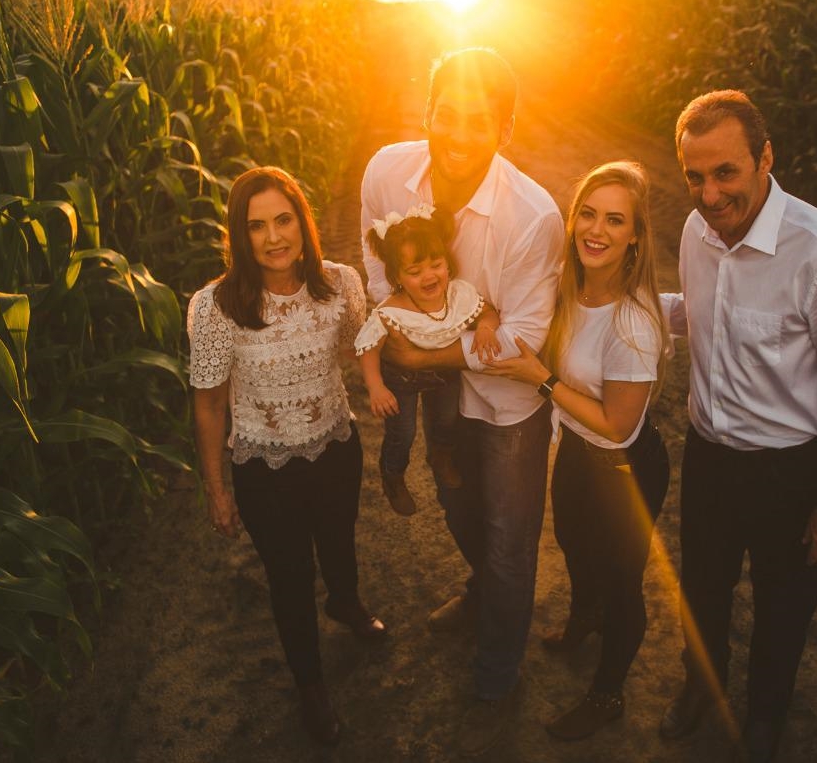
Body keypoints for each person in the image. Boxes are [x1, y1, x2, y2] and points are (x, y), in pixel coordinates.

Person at [657, 91, 817, 763]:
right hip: (708, 453)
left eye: (725, 172)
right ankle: (702, 686)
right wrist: (627, 304)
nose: (709, 192)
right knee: (701, 585)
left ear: (765, 158)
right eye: (694, 175)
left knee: (782, 607)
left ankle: (764, 720)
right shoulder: (696, 233)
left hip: (787, 469)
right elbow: (700, 314)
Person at [359, 47, 564, 755]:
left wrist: (421, 352)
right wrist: (402, 337)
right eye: (448, 114)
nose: (459, 133)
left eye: (480, 121)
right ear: (428, 113)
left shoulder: (533, 217)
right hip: (441, 392)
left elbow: (523, 339)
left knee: (510, 538)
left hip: (507, 407)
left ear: (504, 130)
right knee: (456, 506)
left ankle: (497, 670)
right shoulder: (387, 172)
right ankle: (482, 591)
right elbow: (373, 261)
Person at [188, 166, 387, 747]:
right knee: (290, 576)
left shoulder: (339, 283)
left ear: (303, 221)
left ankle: (346, 604)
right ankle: (310, 684)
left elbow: (363, 346)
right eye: (257, 226)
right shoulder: (217, 307)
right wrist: (216, 488)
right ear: (239, 235)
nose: (274, 237)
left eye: (284, 219)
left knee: (340, 540)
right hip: (263, 466)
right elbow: (208, 406)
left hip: (334, 446)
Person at [484, 161, 671, 740]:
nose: (597, 229)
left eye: (616, 220)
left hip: (623, 469)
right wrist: (489, 312)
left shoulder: (633, 323)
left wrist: (541, 380)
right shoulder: (566, 286)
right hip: (575, 457)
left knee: (622, 583)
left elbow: (617, 424)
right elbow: (498, 298)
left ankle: (607, 693)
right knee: (572, 545)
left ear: (635, 236)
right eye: (587, 214)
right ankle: (583, 618)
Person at [354, 203, 501, 516]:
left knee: (447, 418)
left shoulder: (459, 295)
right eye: (415, 271)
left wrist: (486, 328)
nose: (429, 276)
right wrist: (376, 386)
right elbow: (368, 346)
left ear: (447, 263)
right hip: (399, 378)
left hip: (442, 372)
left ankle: (440, 454)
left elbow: (487, 311)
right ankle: (393, 474)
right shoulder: (392, 310)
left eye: (436, 264)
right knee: (402, 432)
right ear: (398, 277)